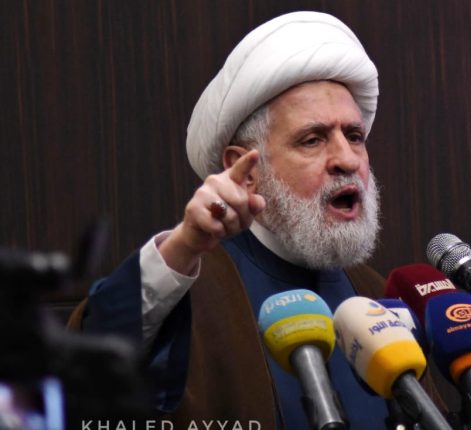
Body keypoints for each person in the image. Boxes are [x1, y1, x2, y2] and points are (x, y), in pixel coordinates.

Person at [67, 11, 443, 430]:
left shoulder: (374, 294)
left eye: (354, 136)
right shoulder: (193, 294)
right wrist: (183, 246)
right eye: (313, 139)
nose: (347, 159)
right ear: (246, 172)